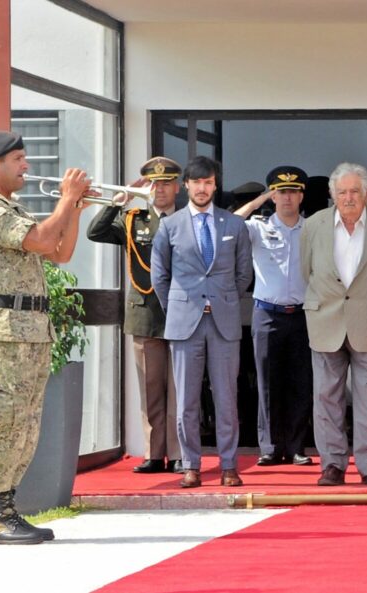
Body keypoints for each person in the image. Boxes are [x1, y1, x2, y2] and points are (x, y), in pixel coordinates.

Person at [0, 131, 94, 544]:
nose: (26, 166)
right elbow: (37, 239)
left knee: (25, 426)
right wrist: (66, 199)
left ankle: (9, 508)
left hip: (30, 331)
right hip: (4, 333)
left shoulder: (10, 206)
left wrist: (74, 212)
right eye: (18, 158)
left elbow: (59, 252)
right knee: (4, 423)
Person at [151, 156, 254, 489]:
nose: (202, 188)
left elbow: (243, 274)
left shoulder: (233, 225)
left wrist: (220, 299)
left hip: (223, 321)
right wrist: (180, 306)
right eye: (196, 183)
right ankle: (191, 465)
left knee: (226, 398)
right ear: (187, 186)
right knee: (187, 401)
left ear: (214, 185)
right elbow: (160, 276)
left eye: (208, 182)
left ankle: (228, 465)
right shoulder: (170, 226)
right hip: (184, 323)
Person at [301, 163, 367, 487]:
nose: (348, 198)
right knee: (326, 396)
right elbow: (308, 271)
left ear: (365, 194)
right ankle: (332, 464)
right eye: (342, 192)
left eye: (355, 191)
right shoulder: (314, 225)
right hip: (325, 318)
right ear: (333, 194)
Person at [87, 156, 183, 475]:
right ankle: (155, 454)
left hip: (183, 314)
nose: (160, 189)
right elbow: (95, 232)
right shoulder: (133, 219)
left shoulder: (187, 219)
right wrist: (120, 200)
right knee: (151, 390)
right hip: (145, 314)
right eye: (154, 184)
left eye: (167, 183)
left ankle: (179, 453)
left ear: (178, 186)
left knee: (180, 390)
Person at [233, 166, 314, 467]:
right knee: (267, 383)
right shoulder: (258, 227)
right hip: (267, 313)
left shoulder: (312, 228)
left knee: (300, 383)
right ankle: (269, 446)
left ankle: (296, 446)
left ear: (302, 195)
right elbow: (228, 224)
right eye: (281, 192)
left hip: (303, 316)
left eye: (293, 192)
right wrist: (258, 201)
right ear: (272, 195)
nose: (287, 198)